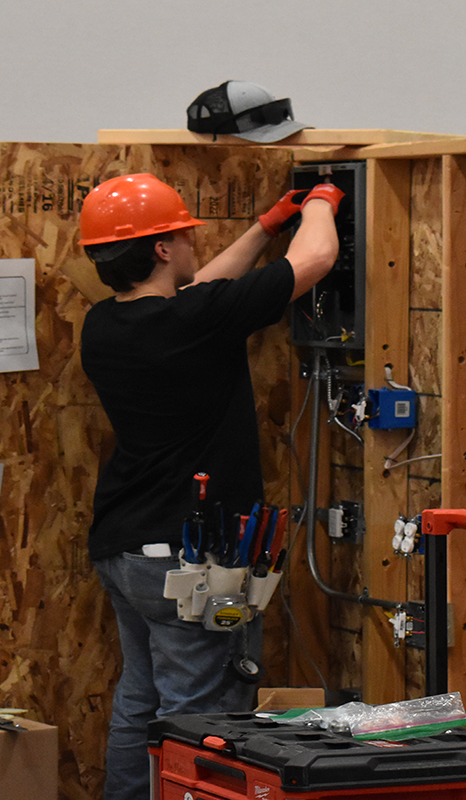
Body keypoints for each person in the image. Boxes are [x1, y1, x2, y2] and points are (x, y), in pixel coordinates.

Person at [77, 172, 341, 800]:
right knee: (199, 714)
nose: (193, 244)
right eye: (183, 236)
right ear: (162, 248)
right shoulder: (194, 319)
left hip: (126, 550)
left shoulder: (105, 324)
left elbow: (200, 291)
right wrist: (323, 201)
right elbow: (316, 260)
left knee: (141, 700)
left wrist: (265, 227)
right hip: (187, 561)